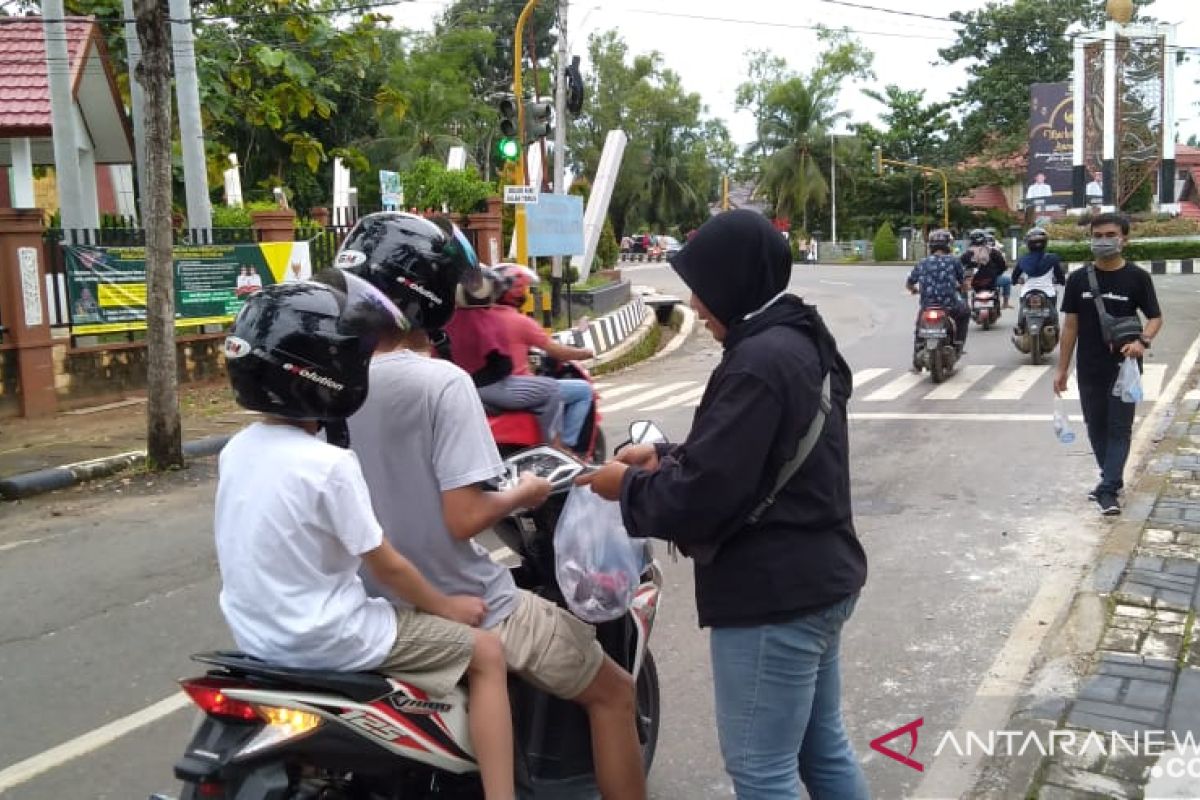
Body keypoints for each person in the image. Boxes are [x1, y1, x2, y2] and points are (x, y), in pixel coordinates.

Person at [334, 212, 649, 800]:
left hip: (367, 608)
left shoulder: (331, 383)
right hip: (463, 601)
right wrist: (525, 493)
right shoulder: (440, 383)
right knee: (614, 693)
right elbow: (464, 518)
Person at [579, 209, 869, 800]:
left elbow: (704, 497)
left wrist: (625, 487)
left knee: (762, 770)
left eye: (704, 286)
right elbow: (751, 455)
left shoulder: (758, 363)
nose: (695, 302)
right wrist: (664, 455)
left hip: (773, 595)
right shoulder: (797, 341)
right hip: (820, 577)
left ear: (734, 282)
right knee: (822, 749)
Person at [215, 278, 515, 799]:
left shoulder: (235, 450)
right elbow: (388, 567)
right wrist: (448, 607)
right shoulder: (329, 464)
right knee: (486, 653)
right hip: (332, 638)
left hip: (258, 641)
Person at [1054, 212, 1163, 517]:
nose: (1103, 241)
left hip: (1125, 369)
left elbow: (1155, 317)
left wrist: (1142, 342)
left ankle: (1107, 489)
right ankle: (1111, 481)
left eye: (1110, 235)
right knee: (1096, 427)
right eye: (1097, 235)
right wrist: (1062, 370)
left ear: (1123, 239)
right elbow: (1070, 327)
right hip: (1089, 368)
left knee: (1119, 428)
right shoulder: (1078, 279)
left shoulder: (1137, 277)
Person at [492, 263, 596, 454]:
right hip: (515, 388)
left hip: (486, 388)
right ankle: (564, 449)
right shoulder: (521, 322)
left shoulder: (482, 318)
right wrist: (585, 352)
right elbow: (556, 351)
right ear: (516, 293)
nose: (526, 293)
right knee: (583, 391)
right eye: (523, 289)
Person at [906, 228, 969, 362]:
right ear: (948, 245)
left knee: (919, 326)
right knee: (965, 313)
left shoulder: (923, 262)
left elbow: (910, 283)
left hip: (927, 306)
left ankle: (916, 358)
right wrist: (963, 288)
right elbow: (963, 283)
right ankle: (959, 344)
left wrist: (913, 290)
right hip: (949, 306)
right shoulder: (954, 261)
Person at [1012, 227, 1066, 333]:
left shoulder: (1023, 260)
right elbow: (1060, 276)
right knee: (1052, 312)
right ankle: (1054, 327)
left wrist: (1016, 281)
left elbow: (1014, 277)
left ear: (1028, 243)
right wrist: (1062, 281)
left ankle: (1020, 327)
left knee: (1023, 310)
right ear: (1045, 243)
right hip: (1048, 292)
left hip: (1027, 292)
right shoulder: (1053, 258)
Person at [962, 229, 1009, 306]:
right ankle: (1005, 303)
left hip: (974, 283)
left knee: (962, 288)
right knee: (1007, 280)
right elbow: (1002, 266)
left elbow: (961, 266)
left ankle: (965, 305)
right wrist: (996, 273)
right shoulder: (993, 251)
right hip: (991, 281)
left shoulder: (967, 253)